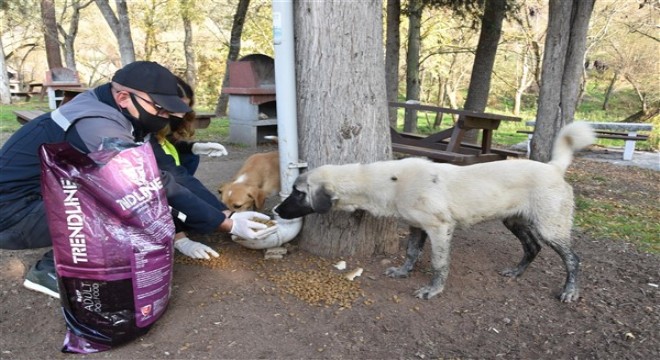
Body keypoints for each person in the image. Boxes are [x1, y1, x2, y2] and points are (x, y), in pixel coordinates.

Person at [0, 61, 277, 299]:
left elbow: (171, 171)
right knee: (128, 200)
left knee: (135, 197)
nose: (164, 117)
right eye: (159, 108)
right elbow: (149, 183)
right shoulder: (98, 124)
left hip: (44, 198)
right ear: (123, 98)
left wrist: (222, 212)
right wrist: (225, 225)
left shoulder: (129, 116)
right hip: (13, 214)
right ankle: (52, 272)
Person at [151, 76, 230, 259]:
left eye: (184, 109)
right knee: (172, 189)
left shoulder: (163, 125)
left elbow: (166, 143)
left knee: (190, 159)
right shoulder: (142, 131)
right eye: (175, 109)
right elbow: (174, 181)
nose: (180, 115)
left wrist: (192, 147)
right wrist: (224, 213)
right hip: (153, 188)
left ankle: (185, 217)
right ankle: (176, 233)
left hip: (171, 178)